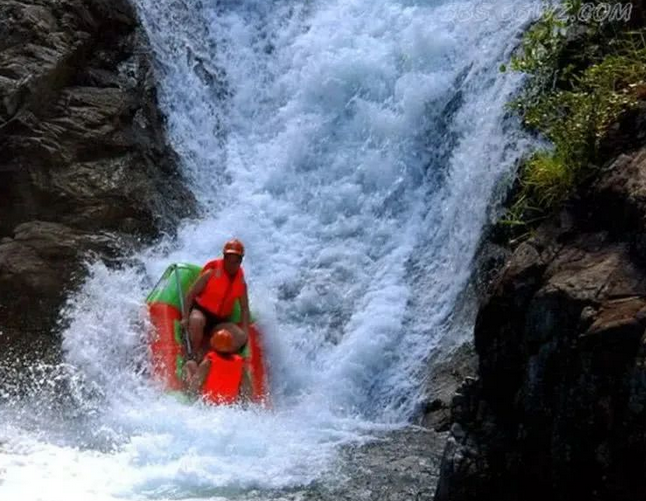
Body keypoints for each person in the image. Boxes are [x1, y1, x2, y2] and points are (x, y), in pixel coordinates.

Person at [181, 239, 251, 366]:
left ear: (240, 261)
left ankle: (207, 356)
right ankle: (191, 354)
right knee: (197, 320)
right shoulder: (211, 273)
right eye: (229, 259)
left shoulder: (241, 283)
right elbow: (190, 295)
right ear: (224, 257)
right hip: (202, 311)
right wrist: (185, 317)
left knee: (240, 337)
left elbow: (245, 309)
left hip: (220, 321)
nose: (231, 264)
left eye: (235, 261)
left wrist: (245, 332)